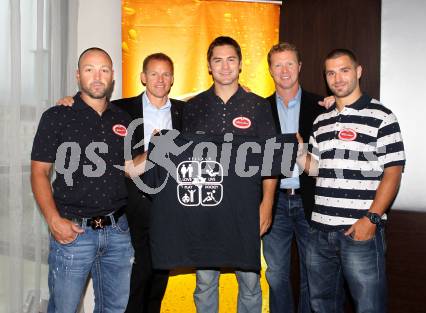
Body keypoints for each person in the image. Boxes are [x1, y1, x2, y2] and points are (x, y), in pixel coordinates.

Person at [56, 52, 185, 313]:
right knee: (130, 283)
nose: (160, 80)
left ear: (172, 79)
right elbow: (93, 99)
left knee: (159, 277)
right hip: (130, 208)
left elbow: (211, 111)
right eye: (153, 73)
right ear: (142, 77)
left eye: (165, 74)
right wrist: (69, 100)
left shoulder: (186, 111)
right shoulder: (123, 109)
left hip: (172, 206)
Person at [31, 47, 146, 313]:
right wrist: (53, 220)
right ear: (78, 75)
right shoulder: (57, 115)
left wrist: (157, 150)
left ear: (112, 76)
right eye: (90, 69)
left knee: (114, 309)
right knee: (64, 308)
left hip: (117, 232)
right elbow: (39, 172)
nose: (97, 76)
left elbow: (130, 169)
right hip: (73, 232)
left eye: (104, 70)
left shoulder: (123, 119)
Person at [298, 48, 405, 313]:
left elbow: (393, 172)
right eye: (331, 73)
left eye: (344, 70)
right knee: (321, 305)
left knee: (369, 307)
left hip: (359, 232)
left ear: (358, 72)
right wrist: (299, 153)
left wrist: (372, 219)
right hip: (318, 231)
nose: (338, 78)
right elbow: (317, 170)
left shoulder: (382, 116)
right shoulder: (320, 121)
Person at [181, 36, 277, 313]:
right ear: (209, 66)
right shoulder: (192, 107)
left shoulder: (258, 106)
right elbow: (185, 163)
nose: (225, 66)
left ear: (241, 64)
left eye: (231, 59)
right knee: (205, 282)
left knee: (249, 282)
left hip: (246, 209)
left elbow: (270, 159)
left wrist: (267, 204)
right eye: (218, 60)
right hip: (205, 206)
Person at [262, 42, 325, 313]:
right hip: (274, 204)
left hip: (310, 201)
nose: (284, 70)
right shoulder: (259, 108)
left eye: (290, 63)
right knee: (276, 275)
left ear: (299, 67)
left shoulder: (321, 106)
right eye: (278, 64)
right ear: (270, 70)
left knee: (312, 276)